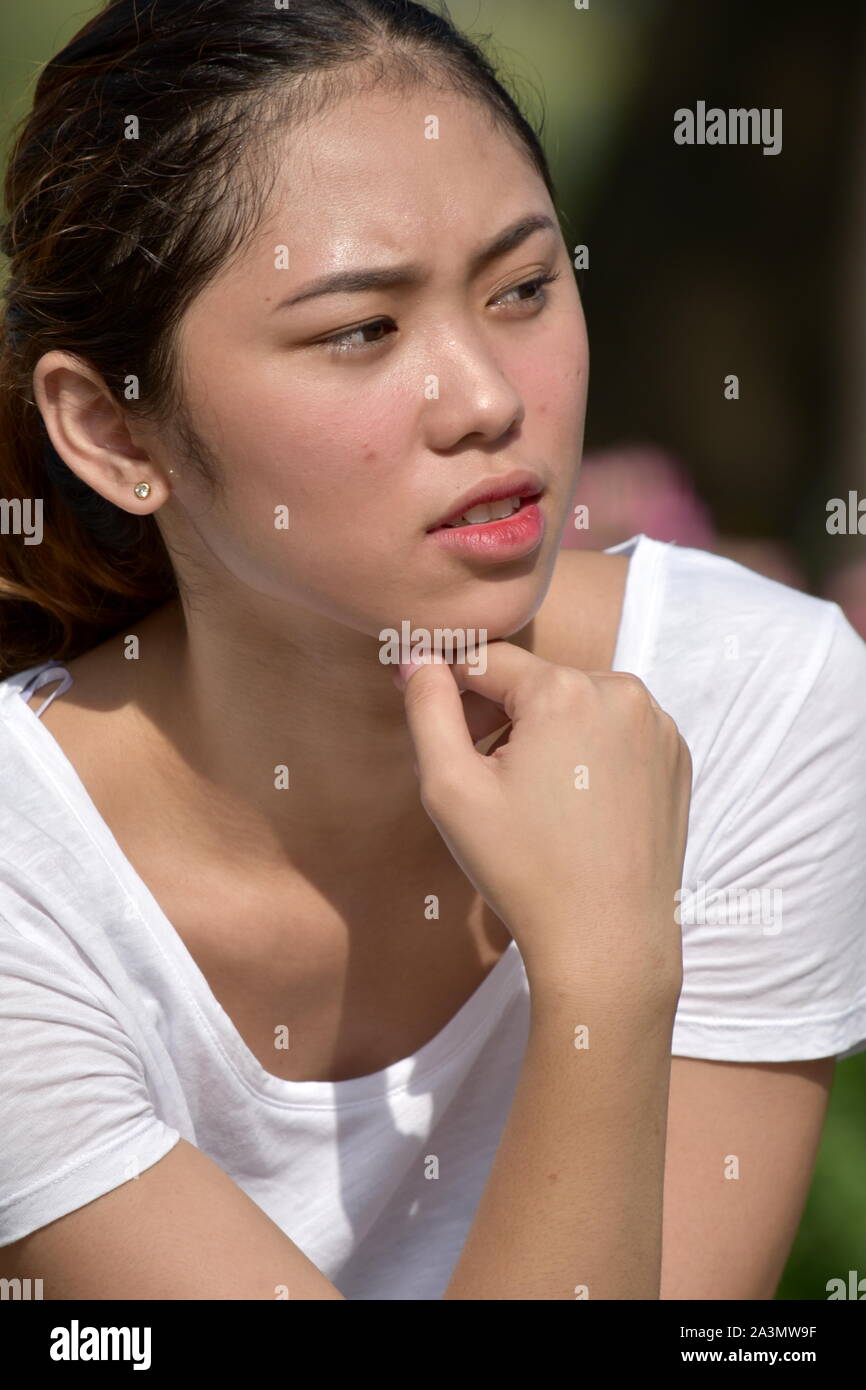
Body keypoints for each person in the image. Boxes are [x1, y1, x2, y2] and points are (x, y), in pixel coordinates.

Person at [0, 0, 863, 1302]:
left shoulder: (750, 694)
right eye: (361, 330)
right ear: (116, 432)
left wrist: (605, 962)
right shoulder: (27, 876)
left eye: (521, 290)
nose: (488, 399)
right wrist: (602, 967)